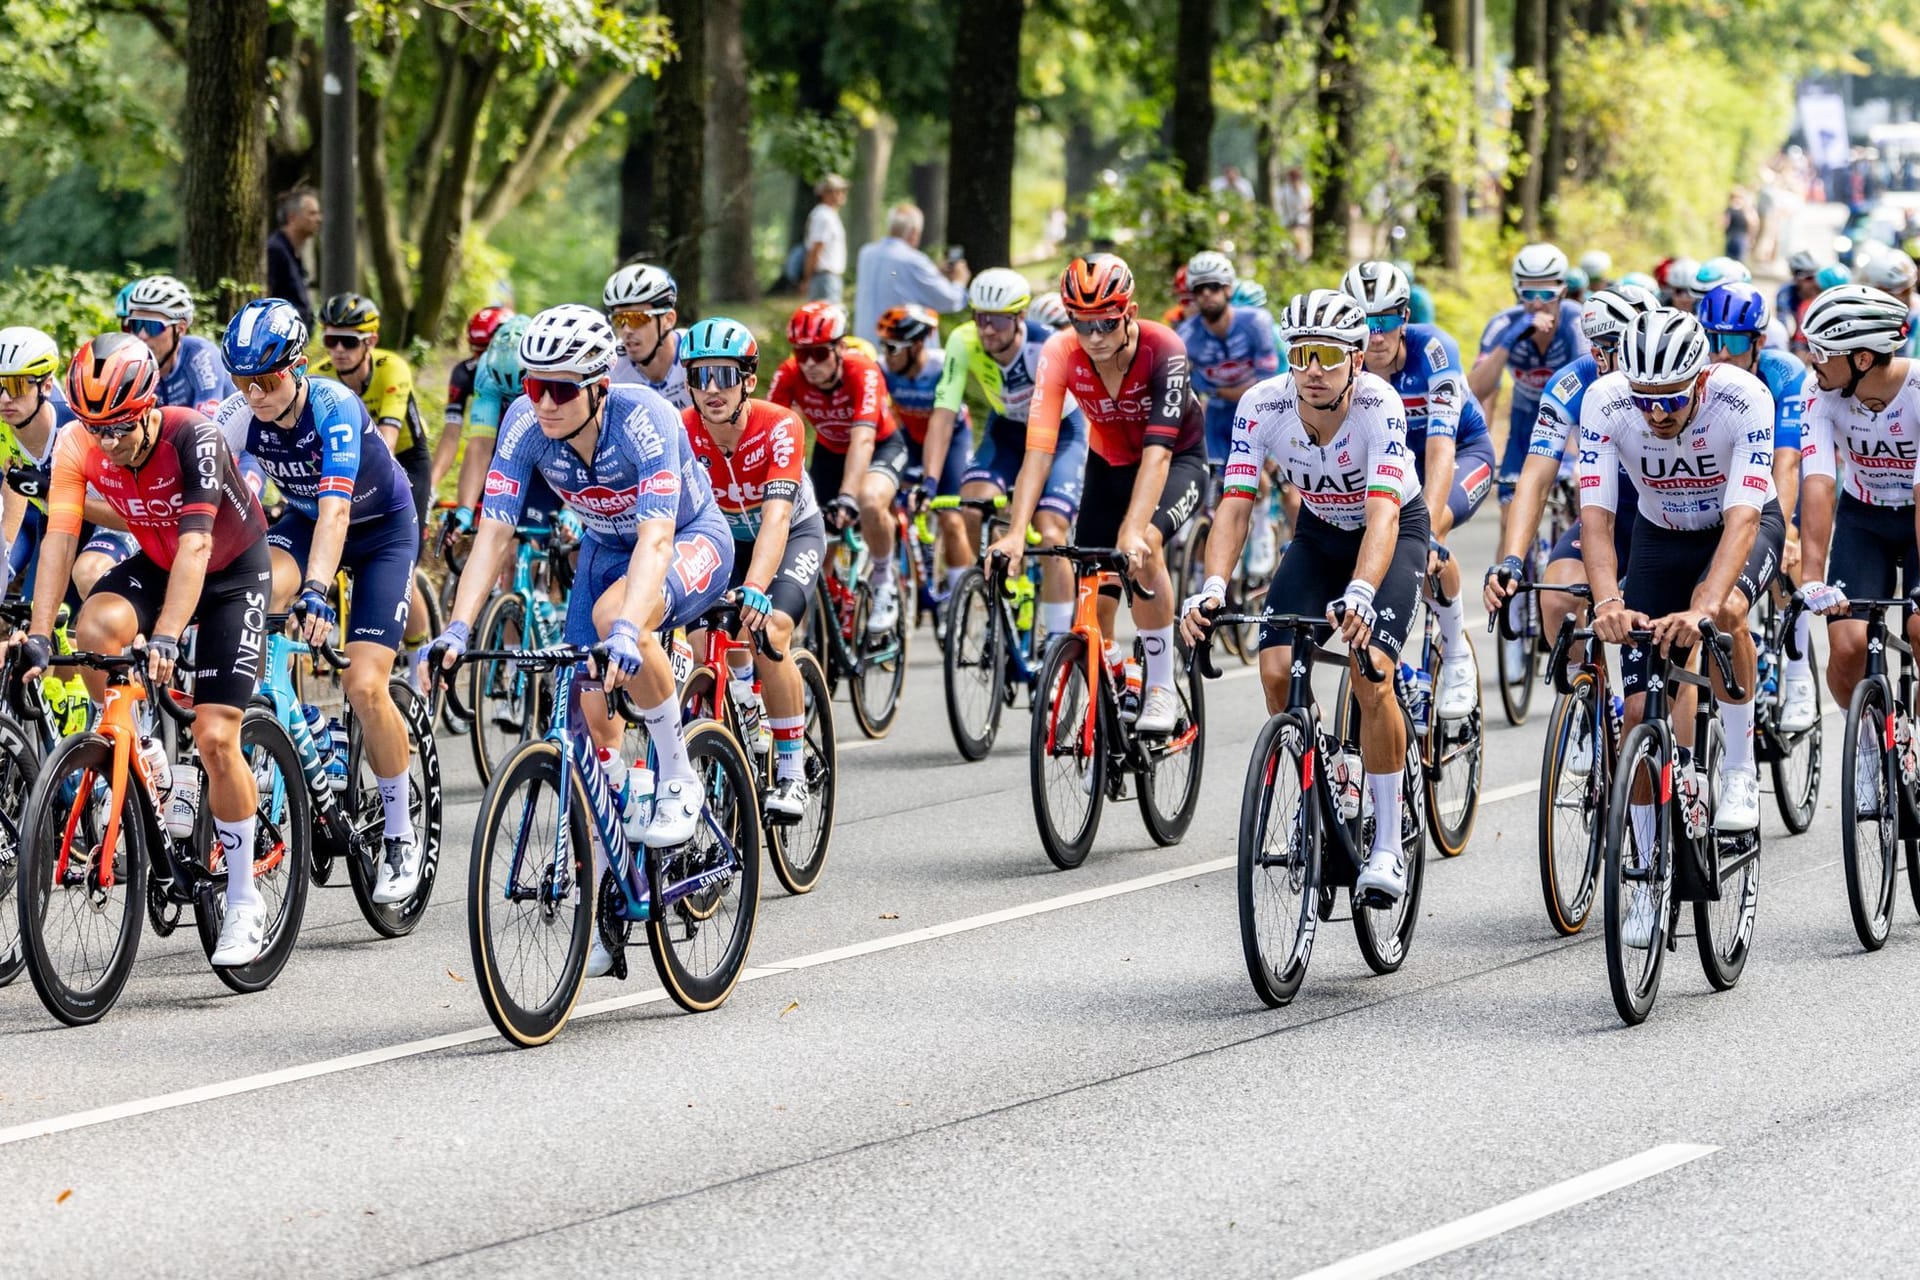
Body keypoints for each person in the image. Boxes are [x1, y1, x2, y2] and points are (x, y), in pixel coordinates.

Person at [427, 306, 734, 972]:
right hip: (602, 548)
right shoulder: (524, 423)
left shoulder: (644, 416)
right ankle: (605, 895)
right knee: (585, 725)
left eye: (561, 389)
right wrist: (457, 627)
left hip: (687, 539)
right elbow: (495, 535)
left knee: (614, 621)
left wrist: (629, 626)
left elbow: (656, 538)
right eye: (535, 387)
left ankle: (678, 772)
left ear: (599, 386)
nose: (545, 402)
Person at [23, 334, 275, 965]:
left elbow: (197, 548)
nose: (106, 442)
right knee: (95, 630)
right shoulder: (77, 444)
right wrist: (35, 632)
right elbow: (59, 540)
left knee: (218, 737)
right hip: (161, 562)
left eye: (119, 428)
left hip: (232, 573)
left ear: (148, 405)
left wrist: (165, 635)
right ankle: (140, 746)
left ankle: (244, 899)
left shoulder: (194, 437)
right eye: (94, 427)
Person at [1179, 289, 1427, 904]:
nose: (1312, 369)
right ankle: (1319, 781)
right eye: (1300, 354)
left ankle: (1390, 843)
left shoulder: (1379, 406)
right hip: (1318, 536)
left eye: (1327, 356)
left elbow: (1383, 516)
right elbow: (1234, 507)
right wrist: (1212, 588)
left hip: (1391, 534)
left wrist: (1363, 594)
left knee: (1372, 677)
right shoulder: (1262, 406)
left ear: (1356, 361)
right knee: (1274, 670)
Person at [214, 298, 424, 902]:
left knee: (363, 685)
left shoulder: (334, 405)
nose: (254, 395)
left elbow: (338, 508)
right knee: (256, 586)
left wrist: (316, 590)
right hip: (306, 522)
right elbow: (203, 491)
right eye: (241, 380)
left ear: (298, 366)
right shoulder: (238, 413)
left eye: (268, 380)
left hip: (381, 529)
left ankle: (400, 834)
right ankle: (290, 714)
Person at [1579, 308, 1784, 895]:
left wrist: (1704, 605)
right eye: (1646, 399)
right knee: (1642, 711)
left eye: (1671, 398)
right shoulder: (1605, 401)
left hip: (1737, 527)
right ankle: (1645, 875)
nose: (1658, 413)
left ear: (1700, 380)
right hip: (1659, 533)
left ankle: (1742, 769)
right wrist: (1607, 602)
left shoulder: (1743, 399)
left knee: (1725, 614)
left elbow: (1744, 518)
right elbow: (1596, 517)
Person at [986, 253, 1207, 735]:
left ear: (1129, 311)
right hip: (1107, 465)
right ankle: (1115, 672)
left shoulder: (1163, 347)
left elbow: (1159, 454)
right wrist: (1016, 533)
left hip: (1175, 461)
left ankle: (1161, 687)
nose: (1094, 336)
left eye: (1106, 322)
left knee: (1144, 548)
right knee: (1094, 591)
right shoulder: (1060, 353)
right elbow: (1039, 450)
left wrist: (1132, 530)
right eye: (1081, 323)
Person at [679, 318, 823, 818]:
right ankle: (740, 702)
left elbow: (778, 517)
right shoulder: (682, 431)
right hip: (723, 540)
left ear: (748, 380)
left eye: (724, 374)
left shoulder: (780, 424)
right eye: (700, 376)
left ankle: (791, 773)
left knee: (769, 631)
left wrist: (757, 587)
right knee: (700, 646)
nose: (712, 388)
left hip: (789, 534)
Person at [1342, 260, 1495, 717]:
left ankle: (1456, 653)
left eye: (1386, 321)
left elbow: (1441, 446)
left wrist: (1424, 526)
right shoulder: (1343, 363)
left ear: (1404, 318)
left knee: (1430, 537)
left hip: (1460, 452)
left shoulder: (1436, 351)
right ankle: (1402, 673)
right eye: (1364, 323)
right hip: (1394, 463)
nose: (1376, 335)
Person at [1484, 286, 1659, 685]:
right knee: (1559, 600)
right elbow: (1537, 474)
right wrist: (1513, 557)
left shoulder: (1669, 382)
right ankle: (1589, 709)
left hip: (1665, 523)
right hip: (1607, 516)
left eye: (1610, 347)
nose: (1600, 358)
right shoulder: (1571, 382)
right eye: (1595, 347)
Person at [1793, 285, 1920, 811]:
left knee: (1918, 625)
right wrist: (1811, 577)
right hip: (1863, 518)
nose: (1812, 360)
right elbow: (1819, 482)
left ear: (1863, 358)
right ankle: (1869, 743)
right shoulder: (1818, 392)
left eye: (1823, 351)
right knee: (1845, 644)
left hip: (1916, 514)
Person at [922, 270, 1090, 645]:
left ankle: (1058, 641)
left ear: (1019, 317)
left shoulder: (1046, 347)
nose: (986, 329)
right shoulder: (963, 342)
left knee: (1049, 533)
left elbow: (1043, 440)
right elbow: (944, 414)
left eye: (996, 320)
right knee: (970, 506)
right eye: (979, 317)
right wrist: (930, 482)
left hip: (1061, 433)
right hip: (1007, 430)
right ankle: (1002, 596)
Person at [1695, 281, 1814, 719]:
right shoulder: (1698, 373)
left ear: (1759, 342)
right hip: (1721, 489)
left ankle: (1798, 672)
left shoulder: (1784, 375)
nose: (1720, 352)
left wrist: (1781, 531)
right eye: (1711, 339)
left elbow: (1786, 460)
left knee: (1789, 542)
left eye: (1732, 341)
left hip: (1774, 485)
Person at [768, 301, 907, 632]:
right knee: (814, 543)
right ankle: (811, 634)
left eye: (819, 353)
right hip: (830, 455)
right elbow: (768, 429)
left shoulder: (864, 371)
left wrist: (847, 496)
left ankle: (884, 582)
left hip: (879, 447)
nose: (810, 365)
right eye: (802, 355)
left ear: (840, 348)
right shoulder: (790, 374)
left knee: (869, 500)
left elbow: (862, 439)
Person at [1471, 243, 1589, 506]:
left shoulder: (1577, 321)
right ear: (1516, 291)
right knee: (1510, 512)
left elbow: (1591, 389)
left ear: (1563, 291)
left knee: (1581, 495)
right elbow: (1476, 390)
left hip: (1574, 421)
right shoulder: (1503, 324)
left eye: (1547, 292)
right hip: (1525, 422)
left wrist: (1573, 454)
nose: (1537, 303)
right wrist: (1509, 342)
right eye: (1529, 292)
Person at [876, 304, 970, 588]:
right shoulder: (882, 370)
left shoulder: (942, 366)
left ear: (917, 346)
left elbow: (941, 429)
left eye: (893, 347)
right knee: (890, 503)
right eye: (883, 346)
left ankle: (959, 596)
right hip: (912, 441)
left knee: (951, 519)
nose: (886, 355)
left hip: (952, 440)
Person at [852, 203, 970, 345]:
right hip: (902, 351)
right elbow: (950, 300)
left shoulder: (866, 253)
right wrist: (959, 281)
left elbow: (894, 280)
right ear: (914, 232)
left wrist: (934, 273)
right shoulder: (913, 260)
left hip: (867, 344)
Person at [121, 275, 234, 415]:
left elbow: (207, 426)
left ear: (180, 329)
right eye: (136, 324)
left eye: (153, 326)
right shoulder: (128, 364)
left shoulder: (201, 355)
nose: (142, 335)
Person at [432, 305, 514, 496]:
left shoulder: (527, 368)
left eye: (487, 350)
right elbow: (451, 434)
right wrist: (431, 485)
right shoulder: (464, 372)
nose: (482, 361)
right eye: (476, 352)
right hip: (486, 450)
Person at [603, 263, 689, 408]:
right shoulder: (611, 367)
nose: (627, 330)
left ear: (668, 319)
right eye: (619, 320)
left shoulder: (696, 357)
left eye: (637, 319)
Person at [266, 187, 321, 330]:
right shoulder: (276, 251)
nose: (319, 219)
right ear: (292, 218)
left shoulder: (293, 252)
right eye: (312, 214)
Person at [802, 174, 851, 303]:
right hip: (824, 278)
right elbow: (816, 248)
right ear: (825, 193)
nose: (841, 194)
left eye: (842, 191)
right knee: (826, 318)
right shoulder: (823, 215)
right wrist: (807, 279)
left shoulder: (829, 214)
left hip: (828, 278)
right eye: (836, 191)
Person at [1278, 167, 1313, 259]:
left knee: (1300, 240)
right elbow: (1281, 205)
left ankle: (1302, 259)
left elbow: (1309, 204)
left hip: (1302, 220)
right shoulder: (1284, 190)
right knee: (1290, 244)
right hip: (1288, 221)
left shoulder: (1305, 189)